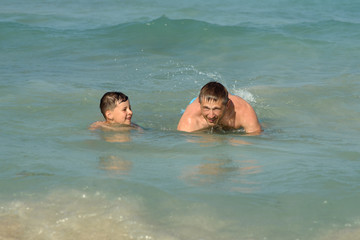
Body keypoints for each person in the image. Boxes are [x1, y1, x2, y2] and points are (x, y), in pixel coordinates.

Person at [177, 81, 262, 134]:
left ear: (227, 105)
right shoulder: (190, 121)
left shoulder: (244, 111)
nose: (211, 115)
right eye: (206, 108)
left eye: (216, 109)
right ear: (200, 104)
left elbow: (255, 140)